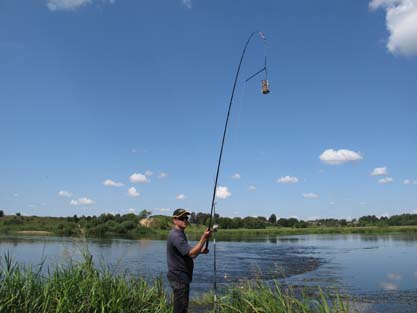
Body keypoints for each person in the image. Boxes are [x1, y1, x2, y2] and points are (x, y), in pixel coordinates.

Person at [166, 208, 212, 313]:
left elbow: (190, 254)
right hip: (179, 277)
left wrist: (200, 251)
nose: (185, 220)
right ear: (175, 220)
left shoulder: (179, 233)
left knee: (181, 307)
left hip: (180, 277)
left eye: (186, 218)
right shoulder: (176, 235)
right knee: (180, 309)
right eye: (181, 218)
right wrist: (203, 238)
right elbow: (191, 253)